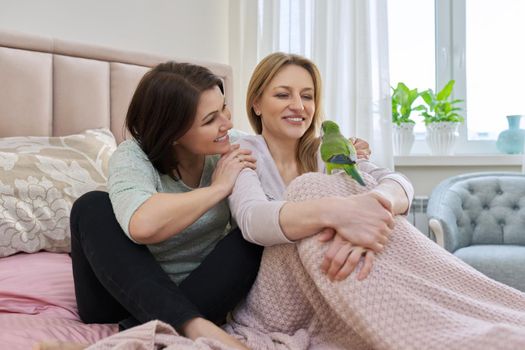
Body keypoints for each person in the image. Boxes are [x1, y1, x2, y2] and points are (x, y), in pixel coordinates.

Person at [34, 60, 373, 350]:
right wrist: (218, 188)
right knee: (92, 207)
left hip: (202, 290)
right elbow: (143, 226)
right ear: (173, 134)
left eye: (224, 108)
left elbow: (282, 175)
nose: (227, 123)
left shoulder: (235, 145)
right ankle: (195, 329)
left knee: (252, 237)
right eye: (211, 119)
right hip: (117, 296)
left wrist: (342, 151)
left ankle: (146, 331)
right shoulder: (133, 157)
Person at [229, 52, 413, 281]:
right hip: (282, 281)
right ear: (256, 104)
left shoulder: (327, 151)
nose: (298, 106)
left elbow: (400, 184)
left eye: (307, 96)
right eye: (283, 94)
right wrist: (341, 213)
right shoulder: (244, 152)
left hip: (346, 274)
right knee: (310, 187)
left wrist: (375, 204)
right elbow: (252, 219)